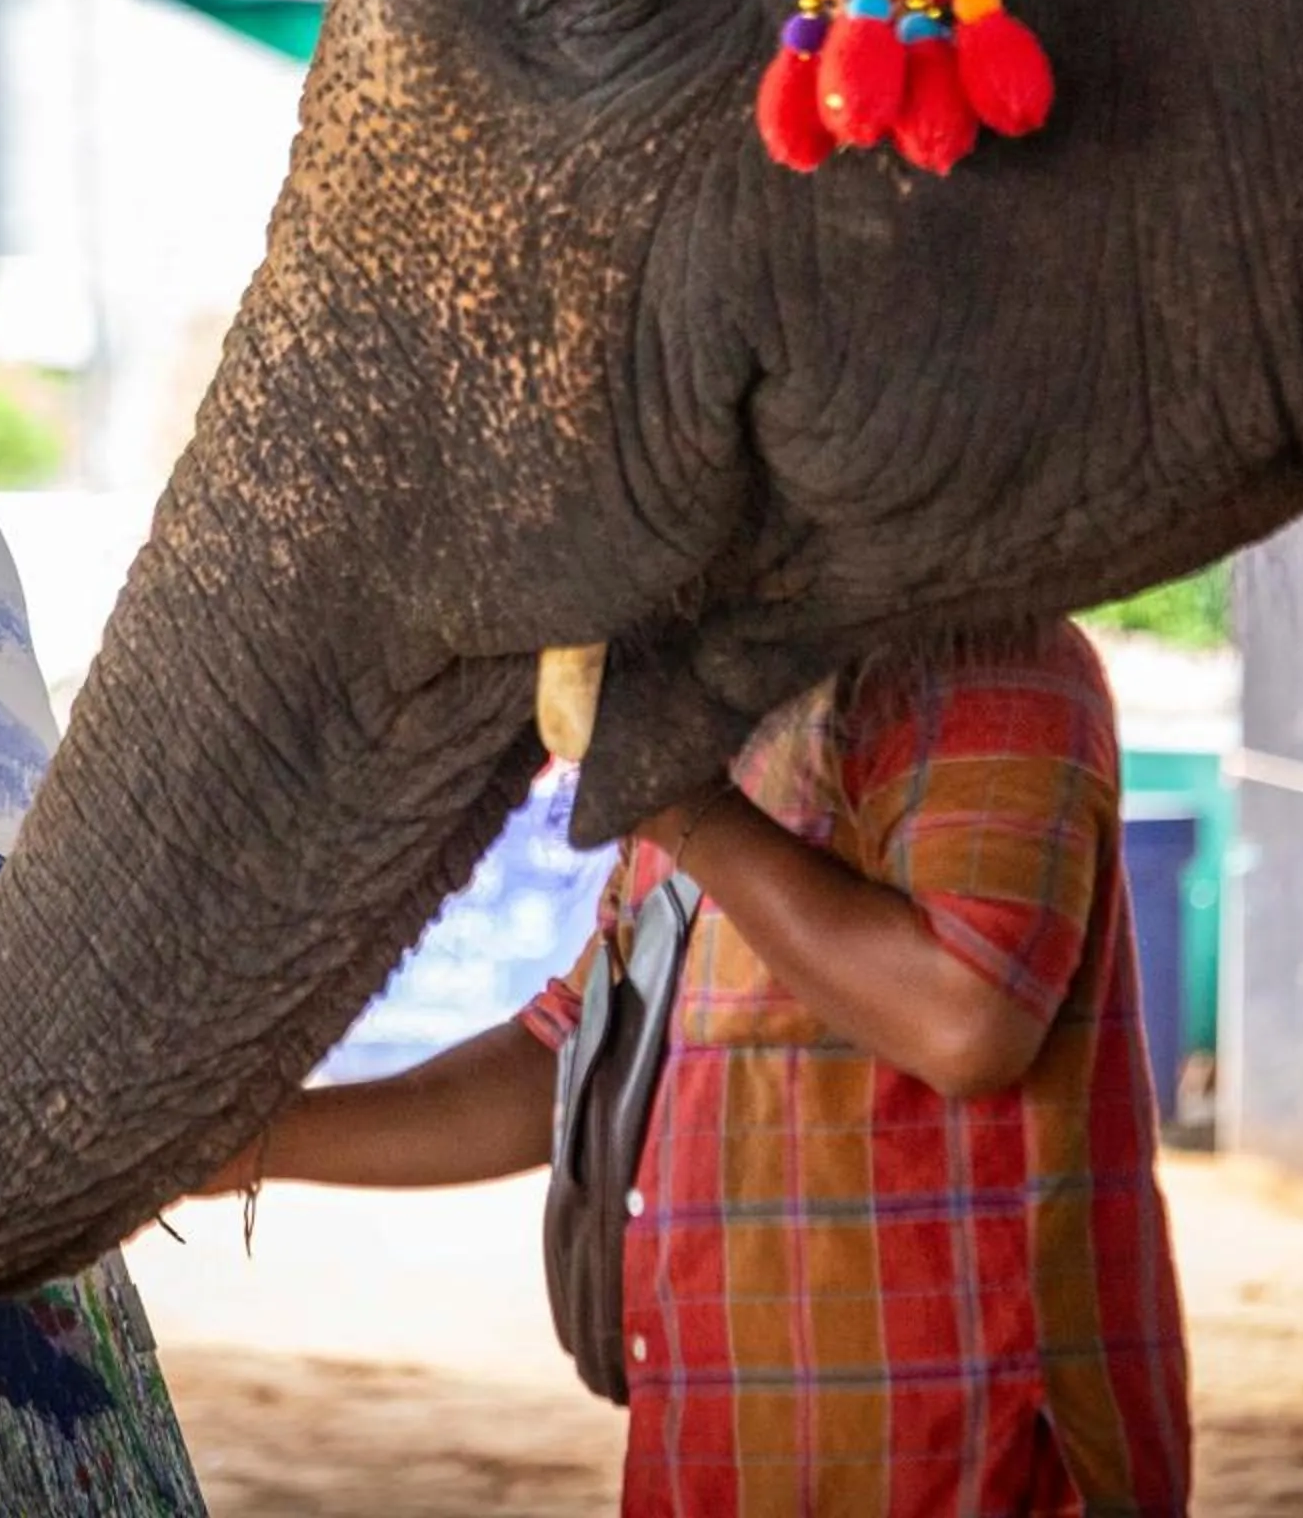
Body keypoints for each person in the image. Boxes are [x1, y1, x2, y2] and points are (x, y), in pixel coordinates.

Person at [192, 617, 1192, 1516]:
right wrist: (250, 1143)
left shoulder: (987, 655)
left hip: (957, 1443)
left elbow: (965, 1017)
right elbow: (569, 1055)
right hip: (724, 1439)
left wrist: (687, 811)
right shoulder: (732, 709)